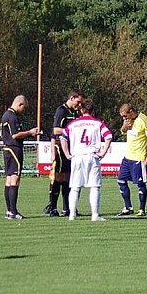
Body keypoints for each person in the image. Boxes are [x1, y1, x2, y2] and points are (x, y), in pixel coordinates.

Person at [60, 98, 113, 221]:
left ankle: (72, 214)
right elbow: (108, 136)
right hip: (92, 156)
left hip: (77, 157)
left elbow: (63, 138)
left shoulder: (73, 124)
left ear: (81, 110)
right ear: (92, 110)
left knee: (74, 187)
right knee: (94, 186)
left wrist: (67, 154)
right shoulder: (97, 123)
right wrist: (102, 153)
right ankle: (95, 215)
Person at [0, 94, 39, 219]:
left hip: (7, 149)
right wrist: (30, 133)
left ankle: (9, 210)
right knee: (15, 179)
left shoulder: (5, 115)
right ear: (19, 104)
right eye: (24, 108)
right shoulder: (12, 117)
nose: (24, 110)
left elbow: (2, 134)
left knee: (9, 179)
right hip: (14, 149)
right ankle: (13, 211)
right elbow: (15, 135)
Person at [44, 89, 83, 217]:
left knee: (68, 179)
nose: (79, 105)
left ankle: (67, 208)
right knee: (58, 177)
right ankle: (52, 207)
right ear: (71, 98)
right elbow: (55, 130)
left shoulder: (74, 112)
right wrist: (53, 151)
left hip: (70, 149)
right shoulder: (62, 110)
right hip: (60, 148)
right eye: (78, 102)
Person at [116, 103, 147, 217]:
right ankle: (128, 207)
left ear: (131, 111)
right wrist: (125, 126)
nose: (124, 118)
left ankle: (142, 209)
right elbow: (122, 131)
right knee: (121, 180)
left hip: (139, 157)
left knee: (140, 184)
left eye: (125, 116)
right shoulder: (128, 121)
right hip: (128, 157)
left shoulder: (143, 120)